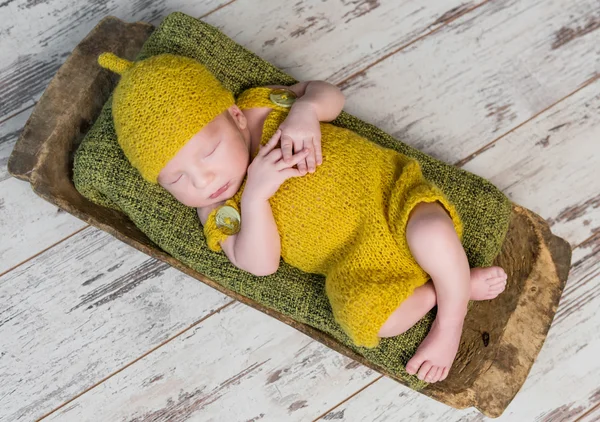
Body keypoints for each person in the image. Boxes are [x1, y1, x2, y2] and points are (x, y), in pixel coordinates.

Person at [98, 52, 508, 384]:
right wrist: (255, 195)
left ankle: (449, 323)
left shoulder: (262, 107)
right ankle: (451, 286)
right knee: (377, 321)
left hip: (389, 202)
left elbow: (329, 95)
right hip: (355, 263)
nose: (204, 180)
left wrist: (307, 111)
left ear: (235, 118)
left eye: (208, 153)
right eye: (177, 179)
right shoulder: (220, 211)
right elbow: (259, 265)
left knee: (434, 231)